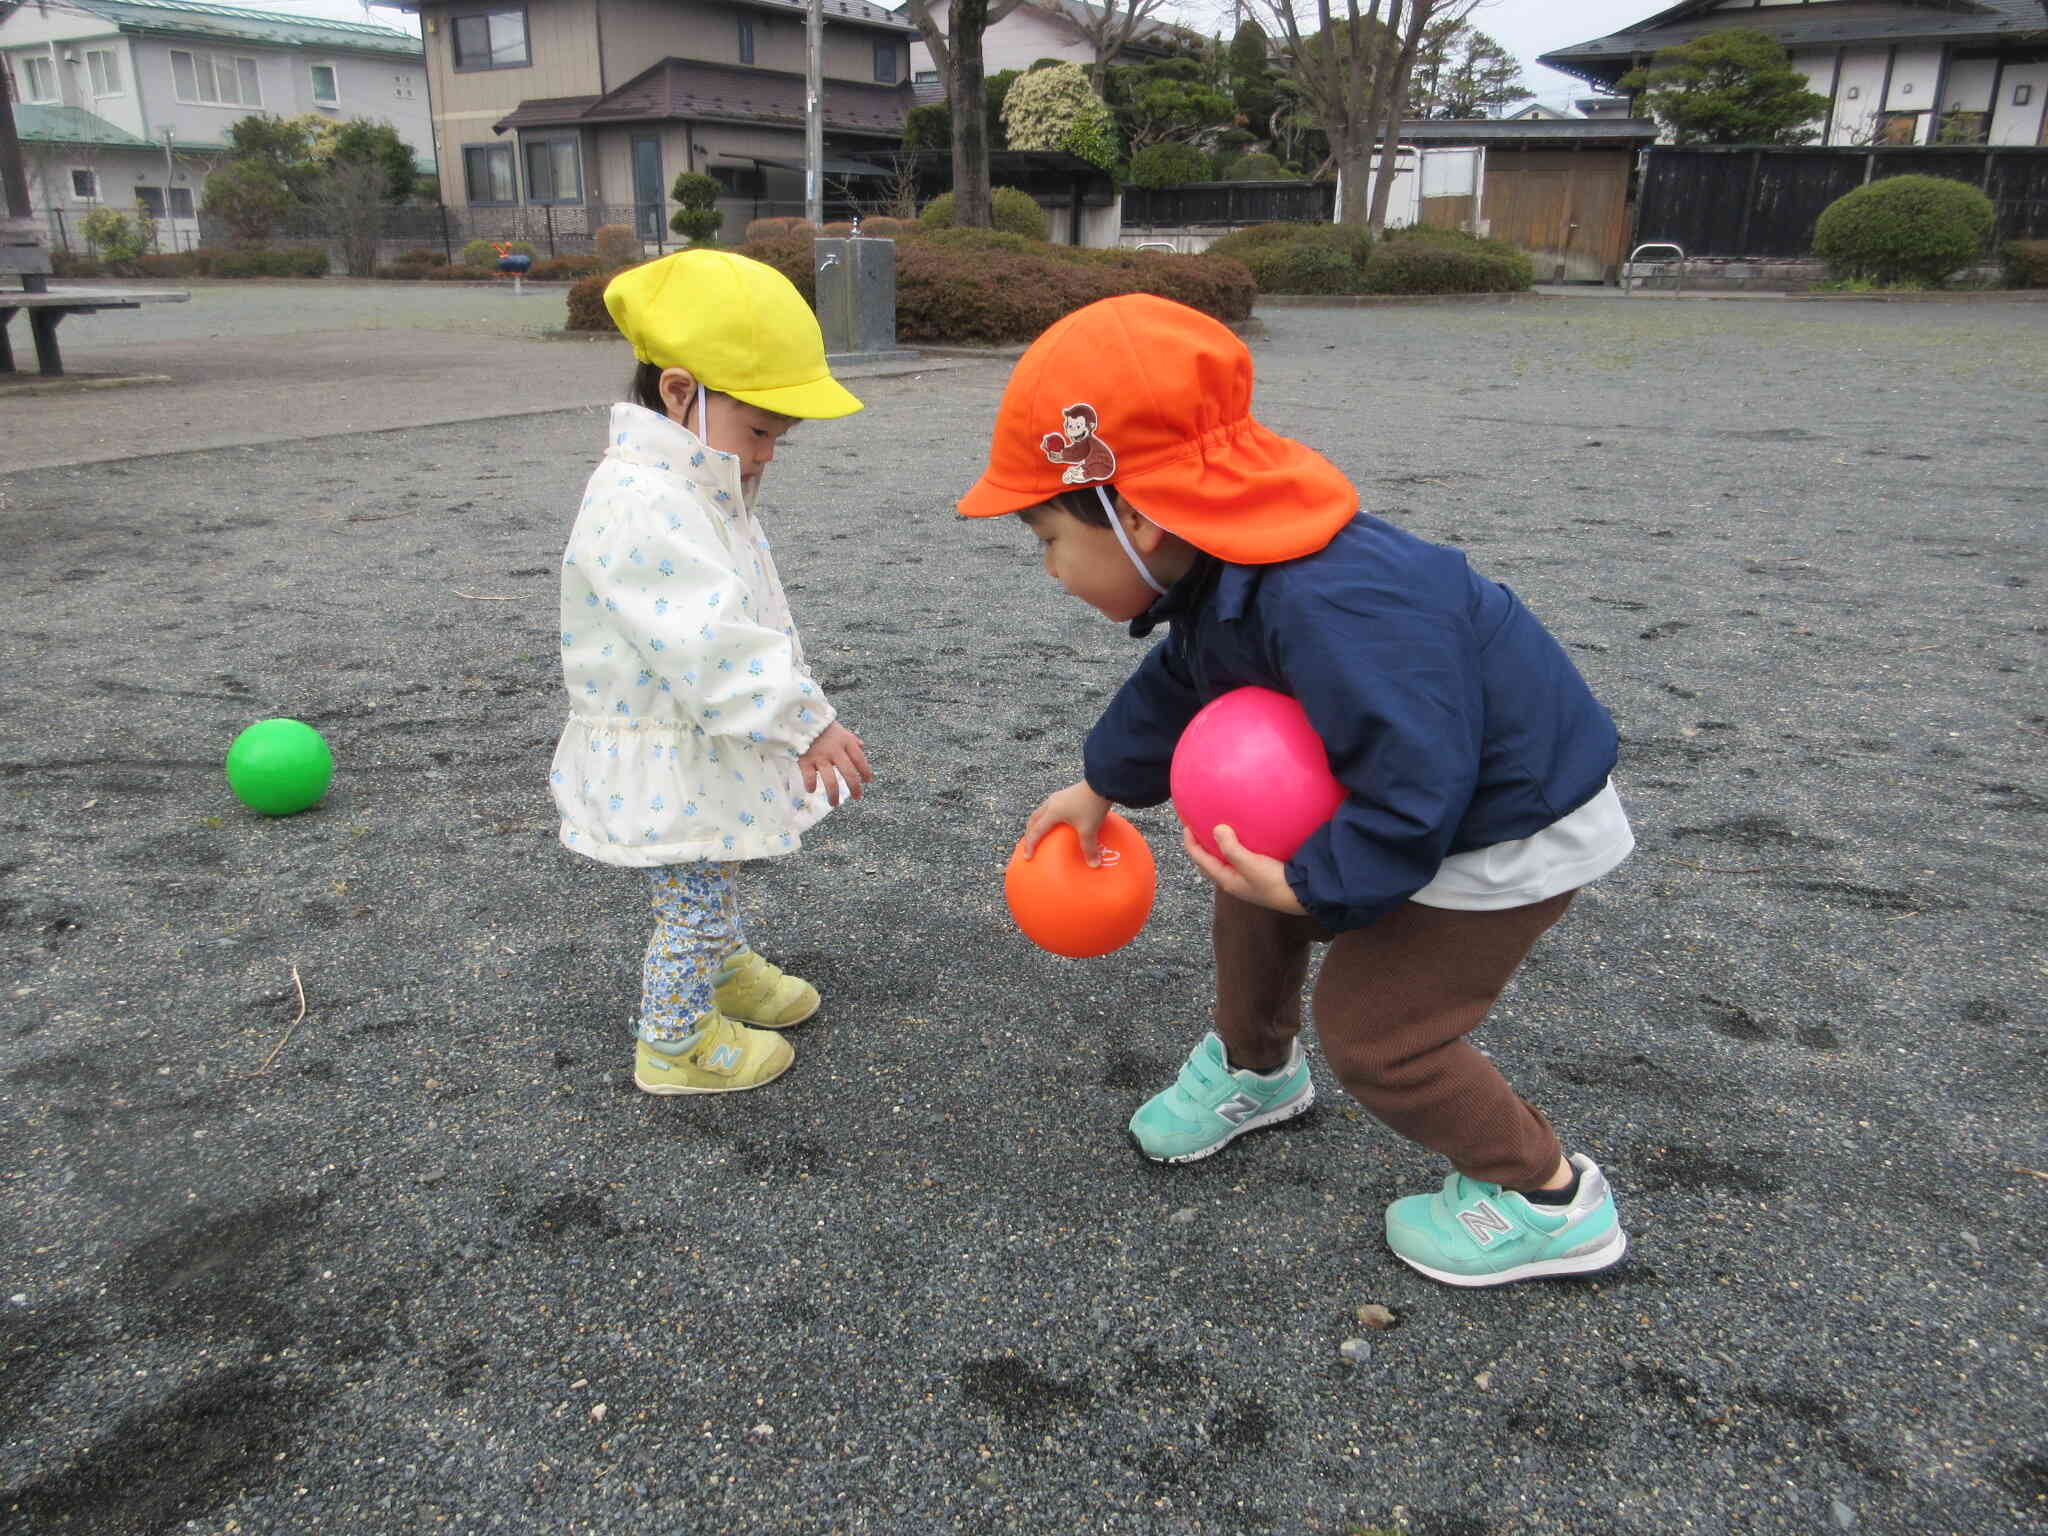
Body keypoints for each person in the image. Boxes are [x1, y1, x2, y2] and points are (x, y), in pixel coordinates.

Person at [958, 294, 1635, 1287]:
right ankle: (1257, 1068)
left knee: (1381, 1034)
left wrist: (1322, 884)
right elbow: (1183, 680)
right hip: (1408, 795)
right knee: (1244, 872)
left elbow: (1419, 770)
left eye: (1048, 539)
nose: (1050, 569)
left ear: (1135, 517)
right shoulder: (1228, 567)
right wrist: (1101, 783)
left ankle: (1546, 1197)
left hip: (1504, 828)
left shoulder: (1334, 600)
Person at [551, 250, 873, 1097]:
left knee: (712, 863)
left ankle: (723, 970)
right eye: (759, 431)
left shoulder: (692, 481)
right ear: (679, 392)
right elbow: (707, 638)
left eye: (776, 438)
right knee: (691, 893)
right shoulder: (644, 499)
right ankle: (675, 1043)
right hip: (669, 745)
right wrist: (804, 719)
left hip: (696, 733)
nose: (767, 454)